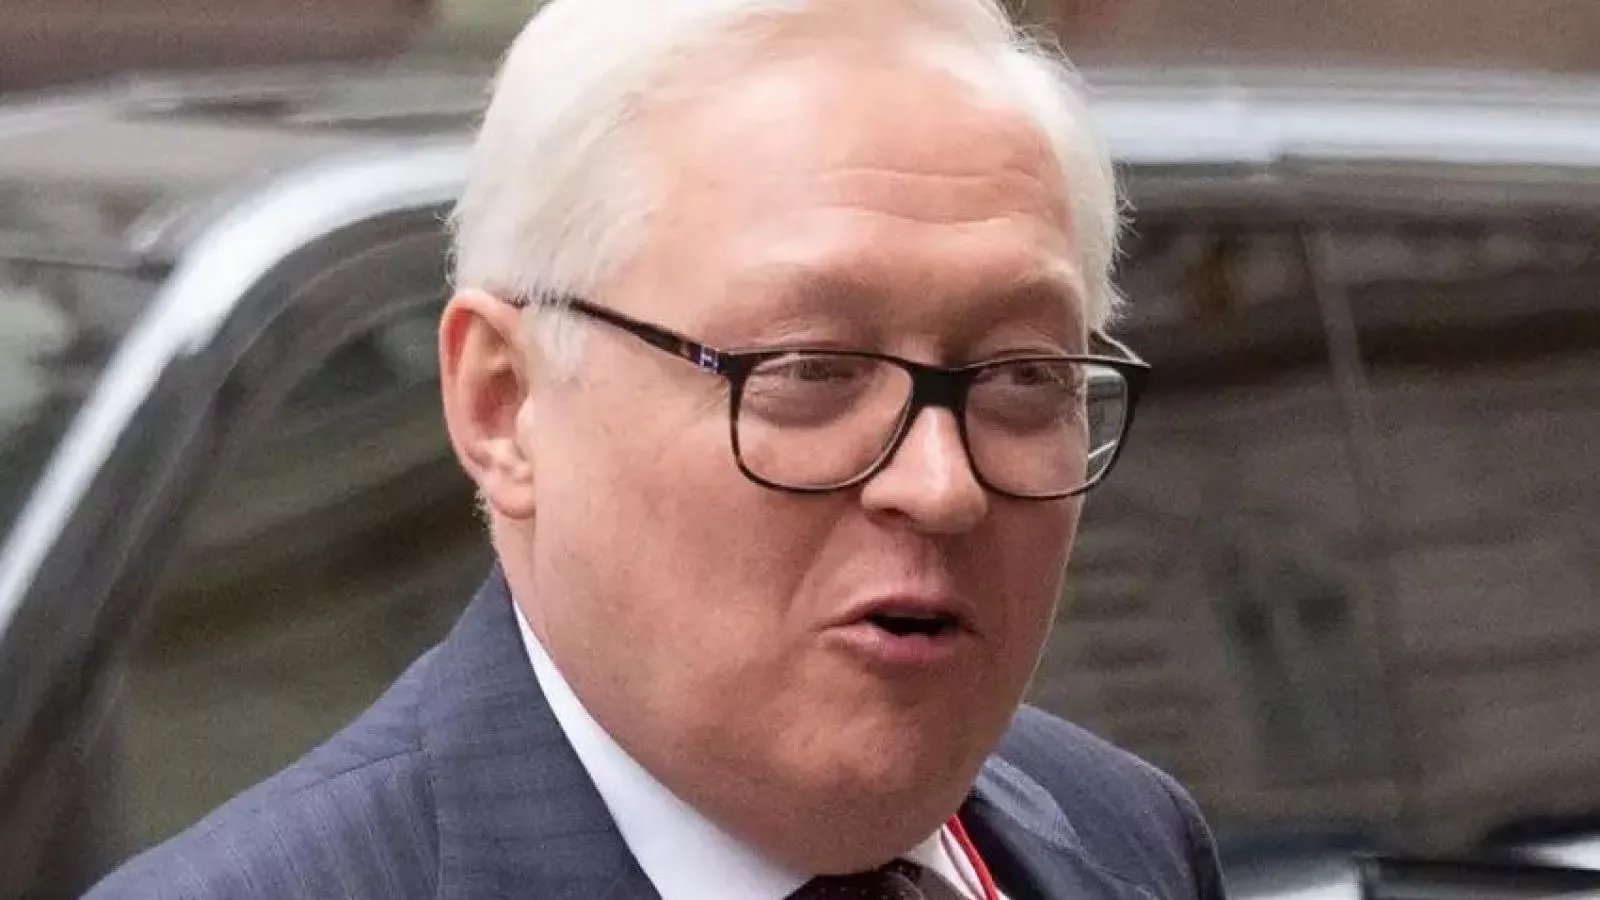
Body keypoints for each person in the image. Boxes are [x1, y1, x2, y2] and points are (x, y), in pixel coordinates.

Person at [88, 0, 1227, 897]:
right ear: (504, 404)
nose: (938, 485)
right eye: (809, 371)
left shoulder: (1121, 839)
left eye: (1025, 378)